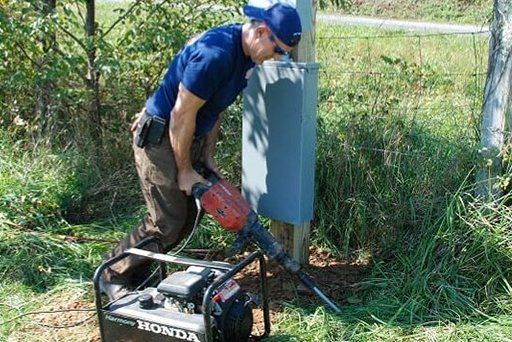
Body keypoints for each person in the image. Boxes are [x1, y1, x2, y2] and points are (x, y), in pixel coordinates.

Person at [99, 1, 302, 301]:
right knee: (166, 220)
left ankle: (140, 273)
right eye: (279, 50)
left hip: (186, 137)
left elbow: (214, 108)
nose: (276, 58)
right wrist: (183, 170)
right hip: (161, 140)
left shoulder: (245, 57)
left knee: (190, 217)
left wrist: (207, 158)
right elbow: (181, 114)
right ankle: (111, 274)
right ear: (261, 32)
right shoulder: (217, 54)